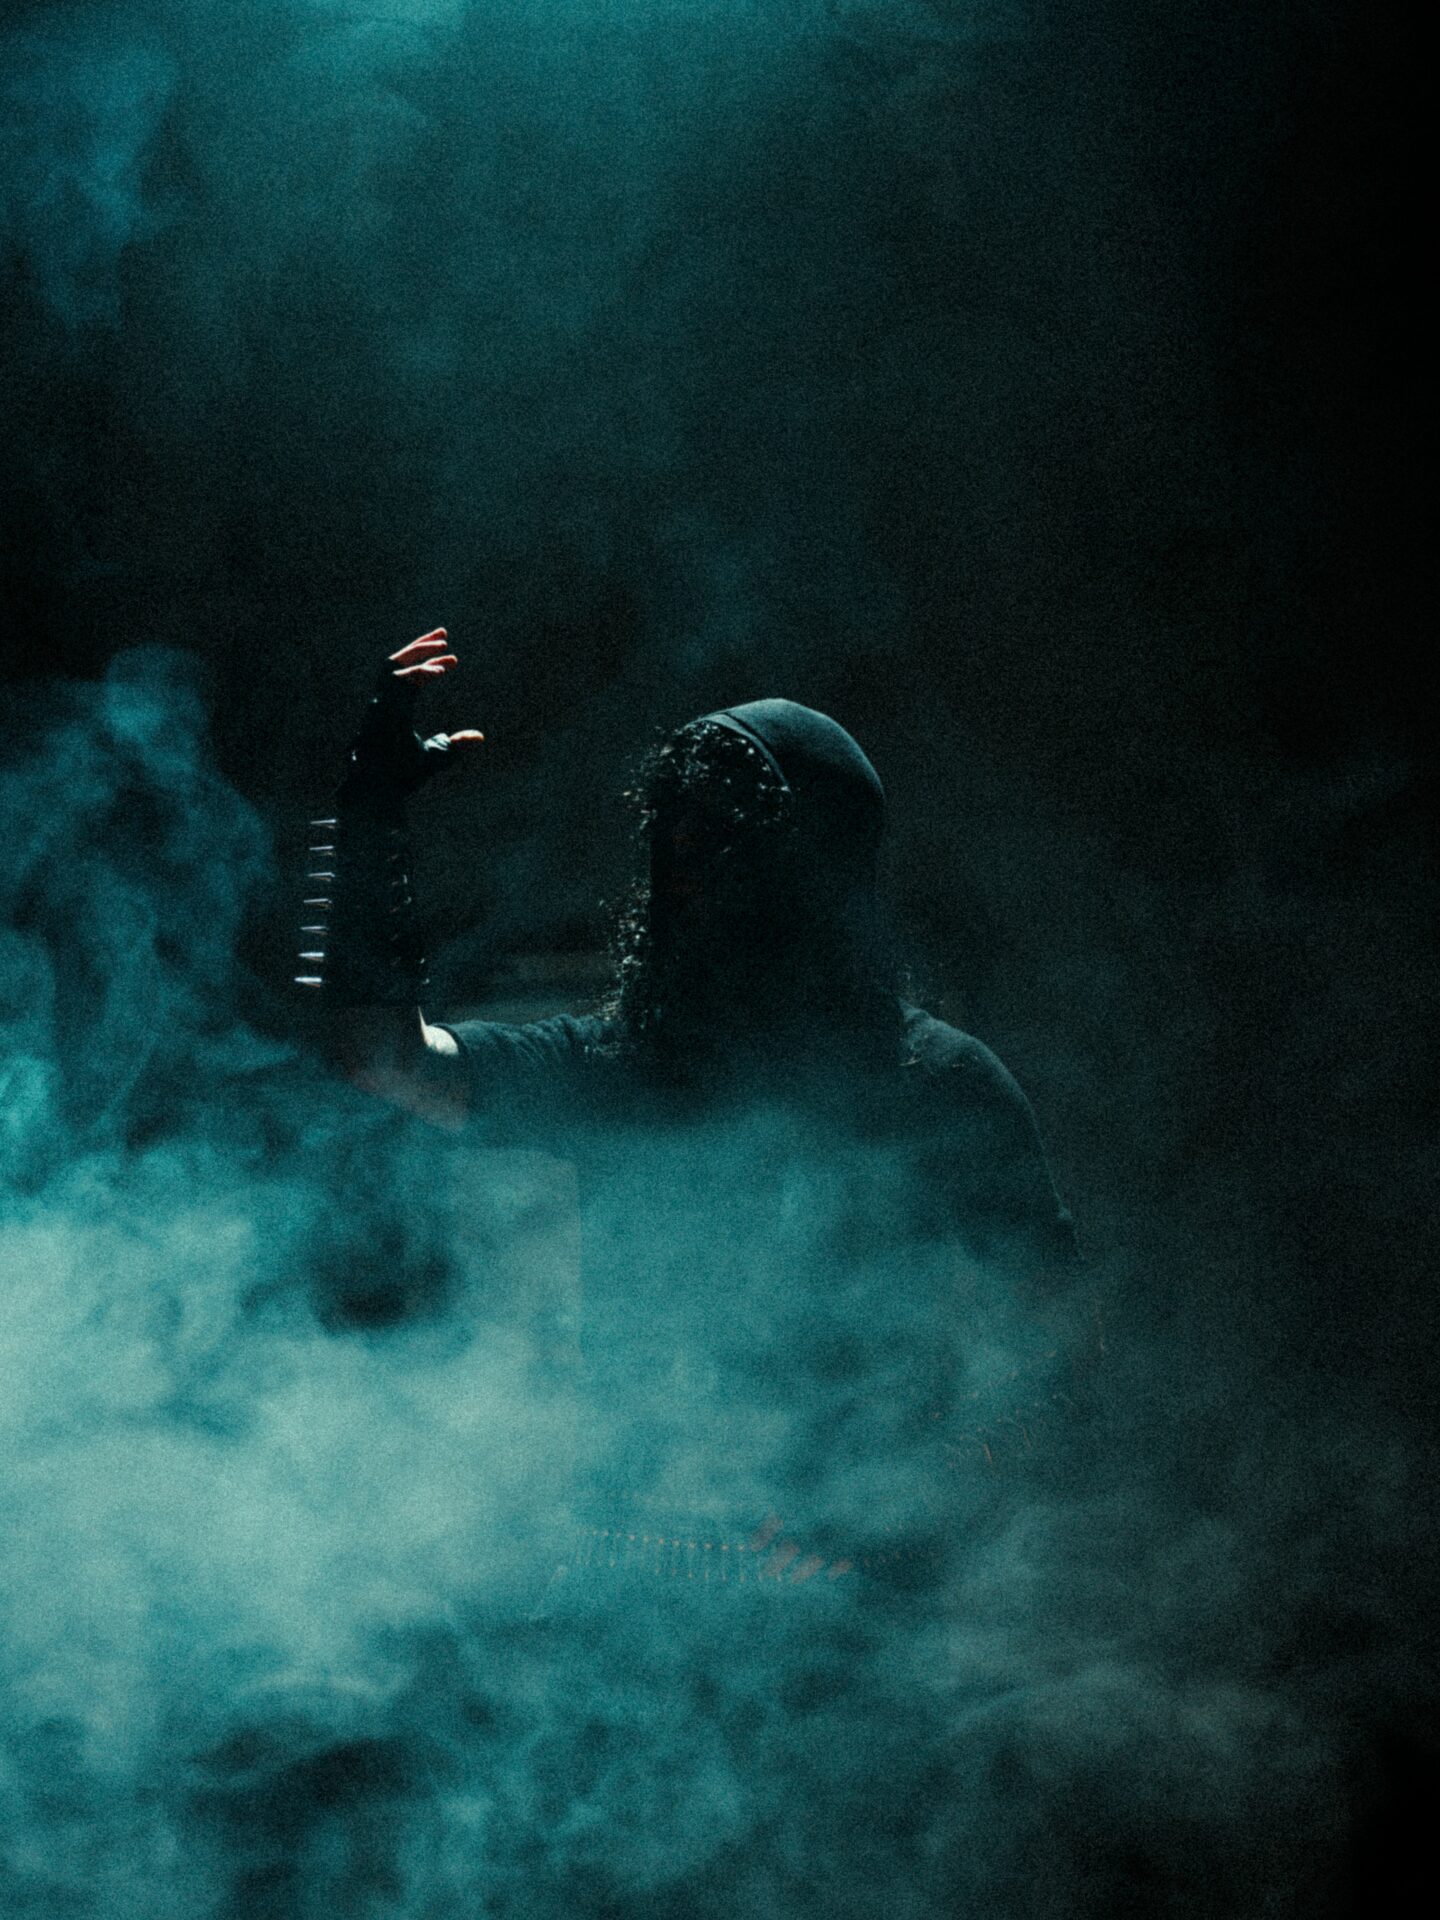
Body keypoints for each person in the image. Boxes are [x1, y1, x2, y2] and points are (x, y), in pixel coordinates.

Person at [300, 628, 1084, 1589]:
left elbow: (1062, 1348)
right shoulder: (616, 1069)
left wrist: (912, 1497)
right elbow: (382, 1059)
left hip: (851, 1616)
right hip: (628, 1602)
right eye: (674, 840)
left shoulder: (938, 1085)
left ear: (816, 875)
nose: (689, 876)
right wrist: (368, 821)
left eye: (725, 842)